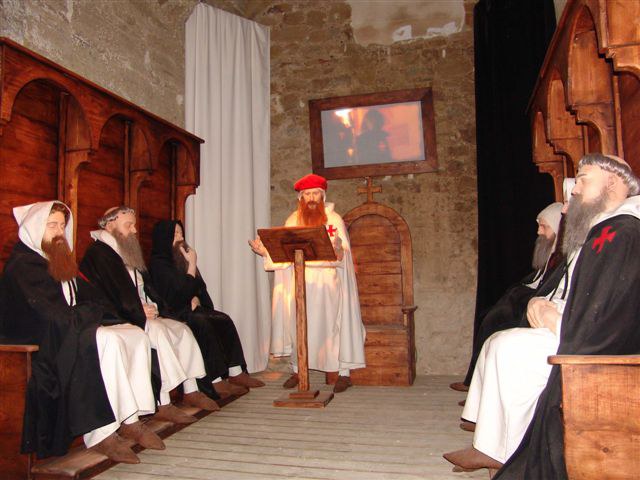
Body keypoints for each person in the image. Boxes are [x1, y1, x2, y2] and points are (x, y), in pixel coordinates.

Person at [444, 154, 640, 478]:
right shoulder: (608, 229)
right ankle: (492, 444)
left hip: (598, 354)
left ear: (613, 181)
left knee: (510, 349)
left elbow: (605, 320)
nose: (574, 190)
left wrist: (552, 318)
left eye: (583, 179)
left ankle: (503, 450)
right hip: (576, 333)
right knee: (502, 340)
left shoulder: (621, 232)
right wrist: (546, 307)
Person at [1, 201, 160, 464]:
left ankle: (132, 418)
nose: (59, 232)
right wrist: (90, 314)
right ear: (33, 228)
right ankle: (101, 433)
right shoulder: (24, 265)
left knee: (134, 333)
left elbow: (92, 298)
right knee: (107, 339)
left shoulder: (58, 260)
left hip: (66, 330)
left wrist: (100, 314)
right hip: (39, 345)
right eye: (52, 225)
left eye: (62, 226)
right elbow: (51, 316)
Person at [79, 206, 219, 422]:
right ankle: (163, 401)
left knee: (182, 330)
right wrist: (138, 310)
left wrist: (157, 307)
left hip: (142, 311)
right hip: (120, 316)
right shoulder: (99, 254)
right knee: (158, 332)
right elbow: (107, 295)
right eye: (129, 225)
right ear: (110, 225)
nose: (134, 230)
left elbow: (146, 287)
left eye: (134, 225)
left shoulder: (125, 250)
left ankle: (191, 390)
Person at [249, 173, 366, 393]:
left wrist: (338, 250)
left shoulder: (334, 220)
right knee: (297, 325)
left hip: (327, 285)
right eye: (307, 194)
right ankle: (298, 370)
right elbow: (284, 254)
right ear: (301, 198)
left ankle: (343, 373)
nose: (311, 198)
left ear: (323, 196)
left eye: (315, 194)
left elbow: (344, 255)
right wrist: (265, 251)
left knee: (332, 328)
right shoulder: (293, 220)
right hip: (299, 284)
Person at [450, 201, 564, 392]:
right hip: (533, 301)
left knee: (496, 323)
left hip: (543, 307)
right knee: (489, 318)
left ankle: (483, 390)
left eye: (544, 226)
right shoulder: (552, 254)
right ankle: (476, 384)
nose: (539, 231)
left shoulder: (561, 256)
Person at [149, 220, 264, 398]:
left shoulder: (180, 258)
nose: (181, 238)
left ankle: (235, 372)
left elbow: (198, 287)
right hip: (171, 311)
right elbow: (174, 294)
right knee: (201, 323)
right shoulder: (159, 263)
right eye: (175, 234)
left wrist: (196, 296)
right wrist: (192, 265)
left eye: (181, 233)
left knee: (223, 319)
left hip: (187, 307)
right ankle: (215, 379)